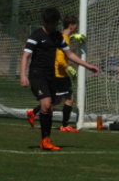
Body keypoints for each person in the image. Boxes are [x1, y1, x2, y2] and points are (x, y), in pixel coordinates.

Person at [20, 8, 99, 151]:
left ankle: (46, 140)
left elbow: (70, 54)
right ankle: (45, 140)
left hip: (51, 75)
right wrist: (23, 75)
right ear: (46, 22)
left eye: (55, 24)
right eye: (51, 24)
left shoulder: (58, 36)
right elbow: (26, 56)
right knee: (46, 104)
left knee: (50, 106)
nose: (53, 26)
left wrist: (88, 66)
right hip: (37, 74)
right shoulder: (36, 35)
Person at [26, 15, 83, 132]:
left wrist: (72, 37)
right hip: (59, 74)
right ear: (72, 26)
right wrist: (69, 68)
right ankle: (65, 125)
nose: (77, 27)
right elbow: (60, 58)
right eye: (76, 25)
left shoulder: (62, 36)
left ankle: (33, 112)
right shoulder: (63, 37)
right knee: (69, 98)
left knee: (55, 100)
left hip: (57, 73)